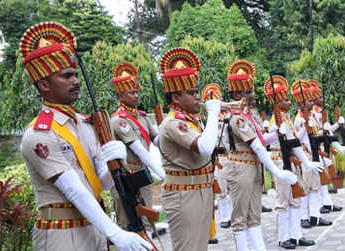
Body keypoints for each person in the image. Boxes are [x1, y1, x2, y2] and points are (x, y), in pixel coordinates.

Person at [18, 21, 153, 251]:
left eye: (76, 75)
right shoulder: (39, 134)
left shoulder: (86, 124)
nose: (76, 81)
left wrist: (115, 162)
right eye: (66, 76)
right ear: (44, 84)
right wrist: (117, 233)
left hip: (94, 228)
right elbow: (74, 190)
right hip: (62, 233)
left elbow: (98, 182)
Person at [223, 60, 298, 251]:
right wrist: (276, 172)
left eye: (251, 90)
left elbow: (261, 140)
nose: (252, 94)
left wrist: (274, 134)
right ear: (236, 95)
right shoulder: (235, 116)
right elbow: (255, 145)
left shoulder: (250, 114)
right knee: (240, 217)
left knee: (254, 214)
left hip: (255, 167)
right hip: (240, 168)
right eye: (247, 92)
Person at [157, 47, 223, 251]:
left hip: (201, 189)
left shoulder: (190, 120)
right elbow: (204, 147)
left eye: (197, 91)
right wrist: (213, 114)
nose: (198, 97)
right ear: (176, 98)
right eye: (192, 93)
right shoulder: (173, 122)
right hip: (184, 194)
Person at [108, 62, 165, 239]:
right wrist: (163, 174)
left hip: (142, 173)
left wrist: (167, 129)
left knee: (147, 218)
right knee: (128, 222)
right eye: (132, 93)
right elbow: (139, 150)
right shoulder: (119, 120)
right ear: (120, 95)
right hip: (126, 175)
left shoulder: (141, 116)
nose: (136, 96)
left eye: (137, 92)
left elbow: (157, 141)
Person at [265, 76, 323, 249]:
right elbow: (294, 142)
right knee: (282, 201)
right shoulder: (276, 119)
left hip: (292, 161)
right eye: (286, 100)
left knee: (296, 199)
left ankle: (296, 235)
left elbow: (295, 140)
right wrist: (307, 161)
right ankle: (283, 238)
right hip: (281, 162)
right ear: (276, 102)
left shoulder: (286, 117)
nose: (290, 102)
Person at [290, 80, 332, 229]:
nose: (312, 102)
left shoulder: (310, 117)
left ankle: (315, 216)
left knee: (316, 186)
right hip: (307, 156)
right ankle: (303, 217)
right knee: (306, 187)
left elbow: (314, 135)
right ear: (301, 104)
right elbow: (305, 141)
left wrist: (327, 129)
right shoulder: (300, 119)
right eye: (309, 100)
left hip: (314, 154)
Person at [306, 80, 345, 214]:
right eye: (319, 97)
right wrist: (338, 146)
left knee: (324, 177)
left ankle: (326, 202)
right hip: (318, 147)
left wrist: (337, 124)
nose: (322, 99)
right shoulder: (314, 113)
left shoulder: (319, 113)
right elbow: (318, 132)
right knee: (320, 178)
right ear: (313, 100)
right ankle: (320, 204)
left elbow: (328, 130)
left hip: (324, 147)